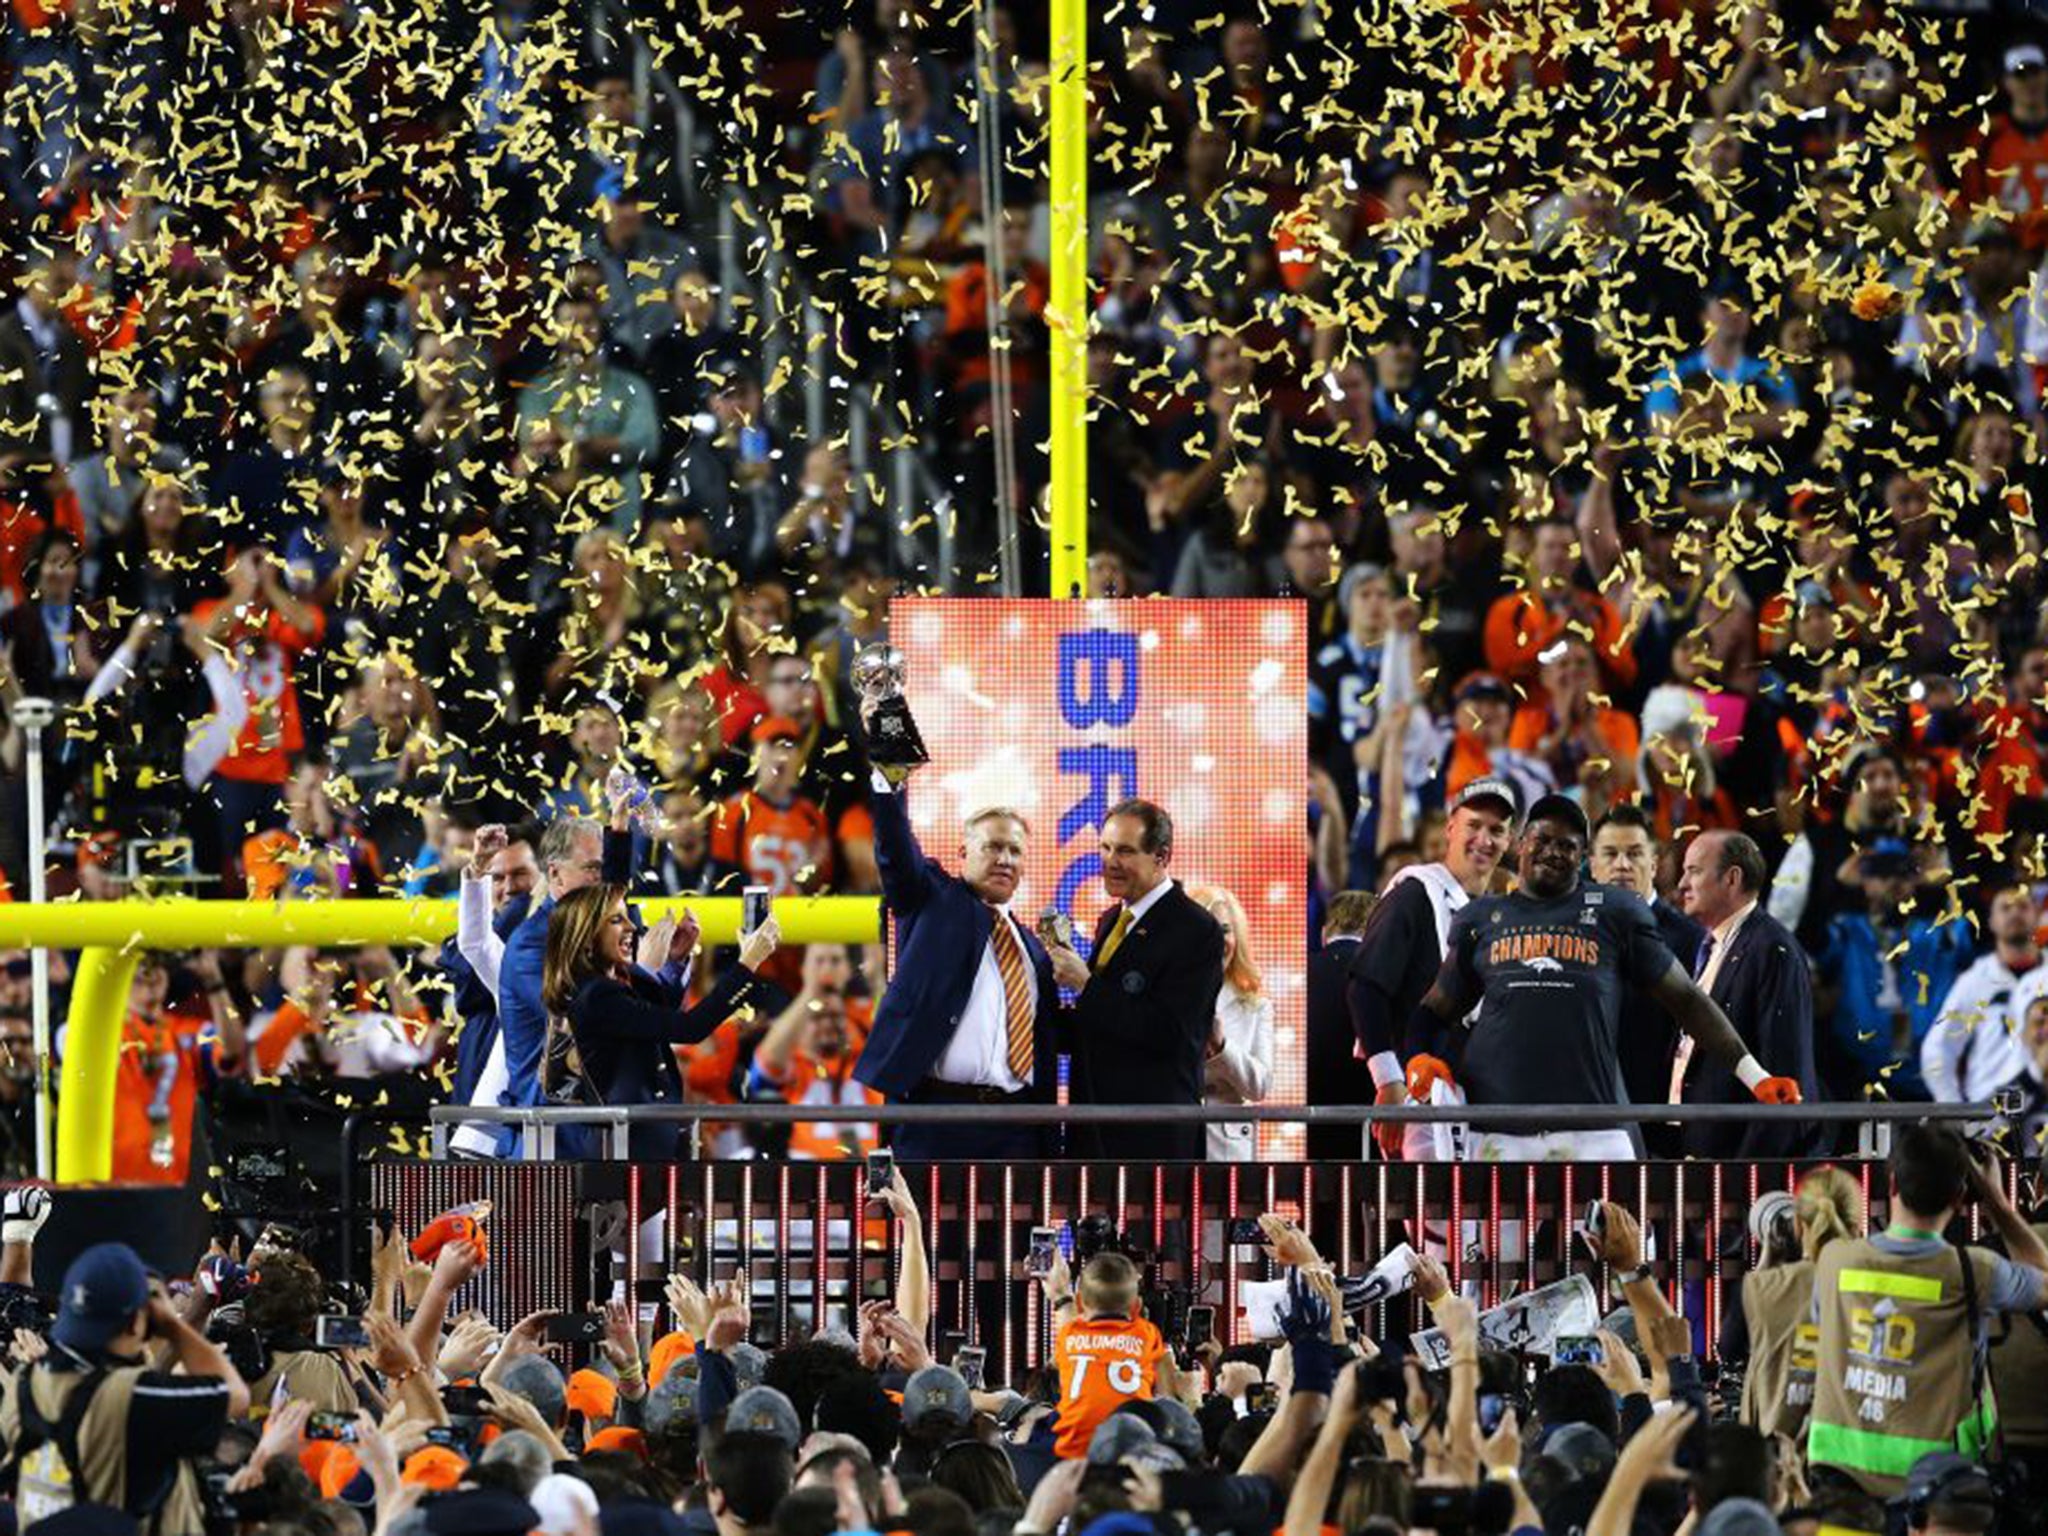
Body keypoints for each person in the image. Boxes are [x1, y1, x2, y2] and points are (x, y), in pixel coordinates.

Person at [1404, 795, 1803, 1161]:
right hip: (1497, 1126)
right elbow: (1436, 1006)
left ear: (1581, 858)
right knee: (1496, 1243)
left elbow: (1686, 999)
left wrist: (1756, 1075)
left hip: (1593, 1129)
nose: (1553, 851)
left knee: (1618, 1241)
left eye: (1567, 845)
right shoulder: (1481, 917)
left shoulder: (1615, 913)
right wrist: (1418, 1056)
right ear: (1521, 843)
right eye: (1543, 839)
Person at [1807, 1123, 2048, 1497]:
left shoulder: (1835, 1260)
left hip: (1841, 1480)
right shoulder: (1975, 1272)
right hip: (1937, 1488)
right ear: (1958, 1199)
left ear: (1892, 1186)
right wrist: (1997, 1201)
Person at [853, 740, 1061, 1163]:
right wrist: (891, 779)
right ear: (963, 853)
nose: (1005, 859)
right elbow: (895, 849)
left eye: (1015, 851)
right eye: (993, 846)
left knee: (1012, 1234)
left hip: (1018, 1129)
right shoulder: (931, 897)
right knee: (926, 1232)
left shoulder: (1035, 950)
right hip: (937, 1122)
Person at [0, 1240, 249, 1533]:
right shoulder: (134, 1398)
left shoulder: (24, 1381)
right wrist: (171, 1323)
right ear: (135, 1324)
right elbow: (236, 1395)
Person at [541, 883, 782, 1161]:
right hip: (629, 1152)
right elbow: (689, 1028)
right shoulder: (597, 995)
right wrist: (748, 963)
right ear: (585, 937)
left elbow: (655, 1019)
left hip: (638, 1145)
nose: (632, 927)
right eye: (616, 919)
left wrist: (674, 960)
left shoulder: (601, 990)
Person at [1043, 799, 1226, 1162]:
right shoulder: (1111, 920)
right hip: (1093, 1131)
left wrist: (1086, 986)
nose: (1110, 862)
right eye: (1105, 847)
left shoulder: (1195, 929)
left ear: (1161, 857)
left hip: (1153, 1142)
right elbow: (1100, 1025)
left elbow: (1174, 1034)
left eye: (1125, 851)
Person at [1349, 777, 1517, 1161]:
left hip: (1474, 1098)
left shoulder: (1498, 913)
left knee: (1466, 1215)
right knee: (1421, 1214)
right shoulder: (1414, 893)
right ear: (1450, 827)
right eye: (1474, 825)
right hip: (1418, 1097)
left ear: (1509, 841)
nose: (1484, 839)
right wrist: (1388, 1080)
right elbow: (1365, 986)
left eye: (1497, 830)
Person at [1674, 830, 1821, 1159]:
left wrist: (1748, 1173)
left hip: (1740, 1162)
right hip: (1700, 1151)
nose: (1682, 883)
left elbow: (1784, 1070)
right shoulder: (1710, 947)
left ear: (1732, 878)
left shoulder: (1772, 949)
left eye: (1694, 871)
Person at [1588, 804, 1705, 1153]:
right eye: (1610, 854)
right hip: (1590, 1118)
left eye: (1635, 854)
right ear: (1592, 865)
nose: (1622, 865)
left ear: (1654, 864)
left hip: (1663, 1124)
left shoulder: (1690, 939)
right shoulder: (1573, 932)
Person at [1734, 1166, 1859, 1441]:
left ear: (1799, 1225)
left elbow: (1729, 1347)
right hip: (1854, 1452)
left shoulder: (1765, 1288)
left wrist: (1767, 1260)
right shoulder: (1878, 1281)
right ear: (1857, 1224)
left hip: (1781, 1450)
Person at [1038, 1246, 1176, 1461]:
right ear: (1137, 1306)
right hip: (1135, 1448)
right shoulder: (1147, 1333)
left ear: (1080, 1303)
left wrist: (1061, 1295)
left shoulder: (1069, 1334)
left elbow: (1057, 1364)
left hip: (1073, 1451)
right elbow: (1169, 1396)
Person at [1922, 885, 2043, 1104]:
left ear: (2037, 916)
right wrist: (1954, 1110)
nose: (2015, 913)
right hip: (1988, 1112)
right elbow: (1937, 1050)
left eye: (2023, 907)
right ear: (1991, 922)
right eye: (2005, 908)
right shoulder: (1974, 980)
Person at [1190, 884, 1274, 1163]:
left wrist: (1223, 1047)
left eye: (1225, 930)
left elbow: (1260, 1086)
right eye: (1207, 930)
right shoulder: (1165, 997)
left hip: (1230, 1151)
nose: (1217, 940)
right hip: (1176, 1142)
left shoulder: (1256, 1004)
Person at [1305, 890, 1374, 1161]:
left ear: (1324, 933)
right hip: (1372, 1121)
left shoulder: (1303, 972)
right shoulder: (1388, 975)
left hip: (1311, 1122)